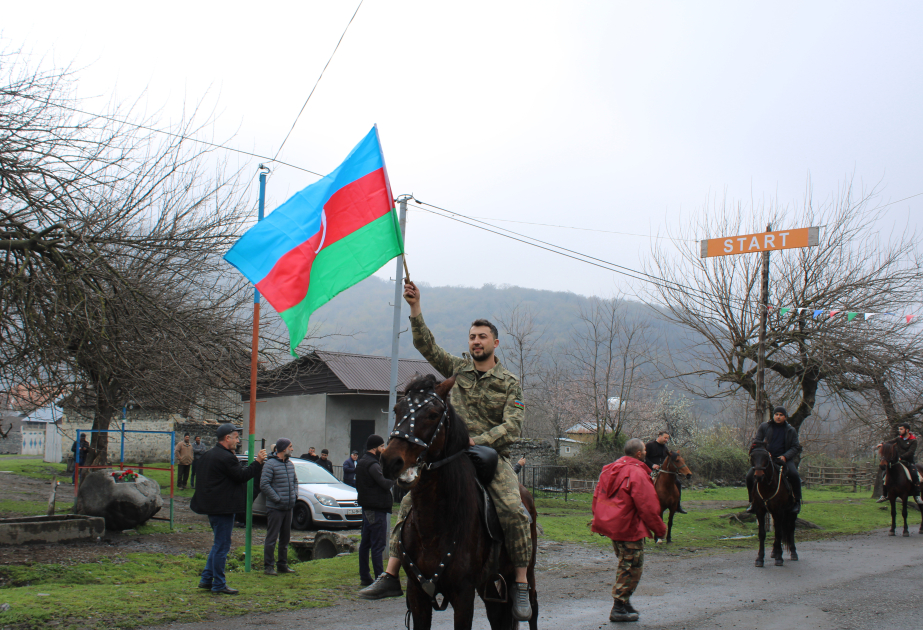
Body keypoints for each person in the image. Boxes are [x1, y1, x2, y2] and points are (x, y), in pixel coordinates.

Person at [360, 280, 533, 622]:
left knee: (514, 510)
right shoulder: (457, 369)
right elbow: (426, 344)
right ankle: (392, 574)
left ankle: (521, 582)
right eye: (472, 337)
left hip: (491, 458)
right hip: (447, 459)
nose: (476, 342)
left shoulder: (510, 382)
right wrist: (415, 307)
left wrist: (477, 441)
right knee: (409, 503)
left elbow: (512, 427)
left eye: (482, 337)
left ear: (494, 343)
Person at [591, 438, 667, 623]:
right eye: (644, 451)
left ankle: (625, 603)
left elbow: (597, 496)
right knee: (631, 566)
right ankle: (618, 607)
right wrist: (659, 529)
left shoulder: (609, 469)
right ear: (639, 454)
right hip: (630, 528)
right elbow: (647, 505)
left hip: (614, 525)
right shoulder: (637, 473)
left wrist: (600, 519)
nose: (646, 453)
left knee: (626, 563)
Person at [190, 423, 266, 595]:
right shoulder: (226, 457)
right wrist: (258, 462)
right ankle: (218, 584)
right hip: (222, 508)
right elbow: (242, 476)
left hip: (213, 507)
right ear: (227, 438)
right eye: (236, 437)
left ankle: (206, 579)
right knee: (222, 546)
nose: (238, 441)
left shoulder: (209, 455)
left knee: (218, 544)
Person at [746, 406, 803, 514]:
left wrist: (785, 456)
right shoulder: (764, 427)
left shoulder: (791, 430)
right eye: (777, 414)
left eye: (781, 415)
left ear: (785, 417)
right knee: (749, 476)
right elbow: (757, 442)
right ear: (773, 416)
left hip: (784, 459)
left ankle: (797, 502)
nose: (778, 417)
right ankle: (752, 502)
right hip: (766, 459)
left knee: (794, 475)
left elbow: (795, 447)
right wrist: (765, 452)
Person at [356, 435, 394, 587]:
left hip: (368, 508)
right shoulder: (372, 464)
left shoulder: (362, 462)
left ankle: (365, 576)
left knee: (365, 544)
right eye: (382, 446)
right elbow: (384, 483)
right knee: (378, 545)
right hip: (376, 509)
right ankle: (380, 579)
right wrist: (395, 476)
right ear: (375, 448)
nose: (384, 449)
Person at [260, 438, 298, 576]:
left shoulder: (290, 464)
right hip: (275, 508)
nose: (292, 449)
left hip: (288, 507)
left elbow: (295, 481)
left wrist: (294, 495)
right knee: (272, 538)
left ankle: (282, 564)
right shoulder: (270, 464)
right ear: (283, 449)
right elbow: (264, 484)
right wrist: (277, 498)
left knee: (285, 538)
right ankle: (268, 566)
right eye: (290, 446)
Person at [875, 423, 922, 504]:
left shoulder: (913, 441)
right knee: (885, 475)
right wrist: (882, 444)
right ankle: (884, 495)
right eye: (899, 429)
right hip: (898, 462)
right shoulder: (898, 439)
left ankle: (917, 495)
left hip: (908, 462)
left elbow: (911, 452)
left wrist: (901, 457)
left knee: (914, 474)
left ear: (907, 430)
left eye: (901, 429)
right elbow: (889, 442)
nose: (899, 431)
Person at [644, 431, 687, 514]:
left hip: (662, 471)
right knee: (648, 483)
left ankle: (677, 505)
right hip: (651, 470)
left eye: (667, 438)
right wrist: (652, 465)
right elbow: (644, 458)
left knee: (677, 483)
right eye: (665, 438)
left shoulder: (665, 448)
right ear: (660, 436)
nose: (666, 440)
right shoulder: (650, 445)